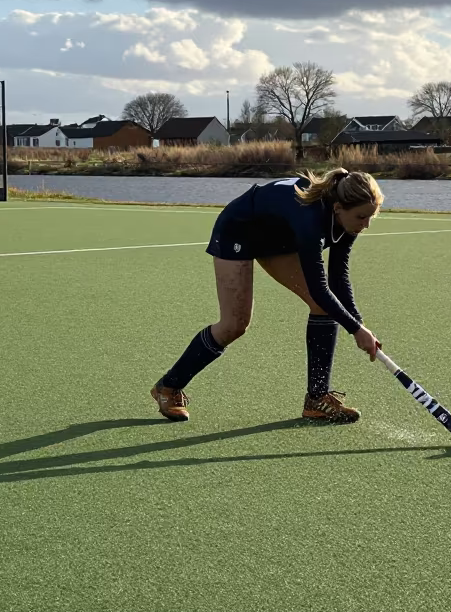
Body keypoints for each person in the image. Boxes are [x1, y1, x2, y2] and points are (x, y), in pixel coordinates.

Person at [151, 167, 384, 424]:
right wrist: (355, 330)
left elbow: (338, 279)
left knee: (322, 307)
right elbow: (320, 286)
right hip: (239, 230)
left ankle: (317, 399)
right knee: (234, 325)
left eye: (372, 216)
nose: (366, 225)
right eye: (362, 217)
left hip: (279, 237)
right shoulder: (310, 219)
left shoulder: (348, 223)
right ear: (338, 208)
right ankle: (169, 387)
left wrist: (360, 325)